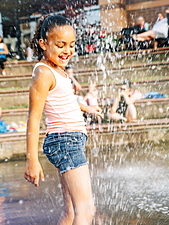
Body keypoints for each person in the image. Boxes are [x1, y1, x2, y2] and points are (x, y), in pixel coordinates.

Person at [24, 15, 101, 224]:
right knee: (86, 210)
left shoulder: (58, 69)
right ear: (43, 43)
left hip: (68, 140)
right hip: (65, 141)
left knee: (71, 213)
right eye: (60, 45)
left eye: (72, 45)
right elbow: (34, 117)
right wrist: (32, 160)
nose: (67, 50)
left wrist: (84, 106)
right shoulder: (43, 72)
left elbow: (62, 98)